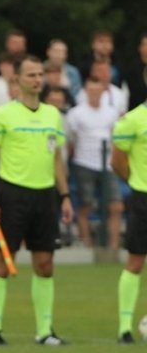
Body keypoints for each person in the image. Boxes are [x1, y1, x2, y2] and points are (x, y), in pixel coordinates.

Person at [0, 55, 73, 347]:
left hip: (45, 196)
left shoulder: (52, 115)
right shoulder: (3, 115)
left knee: (45, 264)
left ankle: (45, 331)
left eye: (39, 74)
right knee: (2, 262)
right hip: (12, 195)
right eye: (31, 74)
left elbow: (57, 158)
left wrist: (65, 195)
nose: (36, 79)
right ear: (18, 80)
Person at [65, 77, 123, 249]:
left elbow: (116, 138)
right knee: (85, 207)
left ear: (103, 91)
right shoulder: (76, 113)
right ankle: (88, 246)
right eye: (91, 90)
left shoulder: (111, 112)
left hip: (108, 165)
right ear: (85, 91)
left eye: (98, 90)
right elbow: (71, 141)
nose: (95, 93)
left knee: (116, 206)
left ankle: (113, 247)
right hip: (84, 164)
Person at [111, 99, 147, 343]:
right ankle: (125, 327)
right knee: (135, 261)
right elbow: (117, 161)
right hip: (143, 197)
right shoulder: (132, 120)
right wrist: (136, 183)